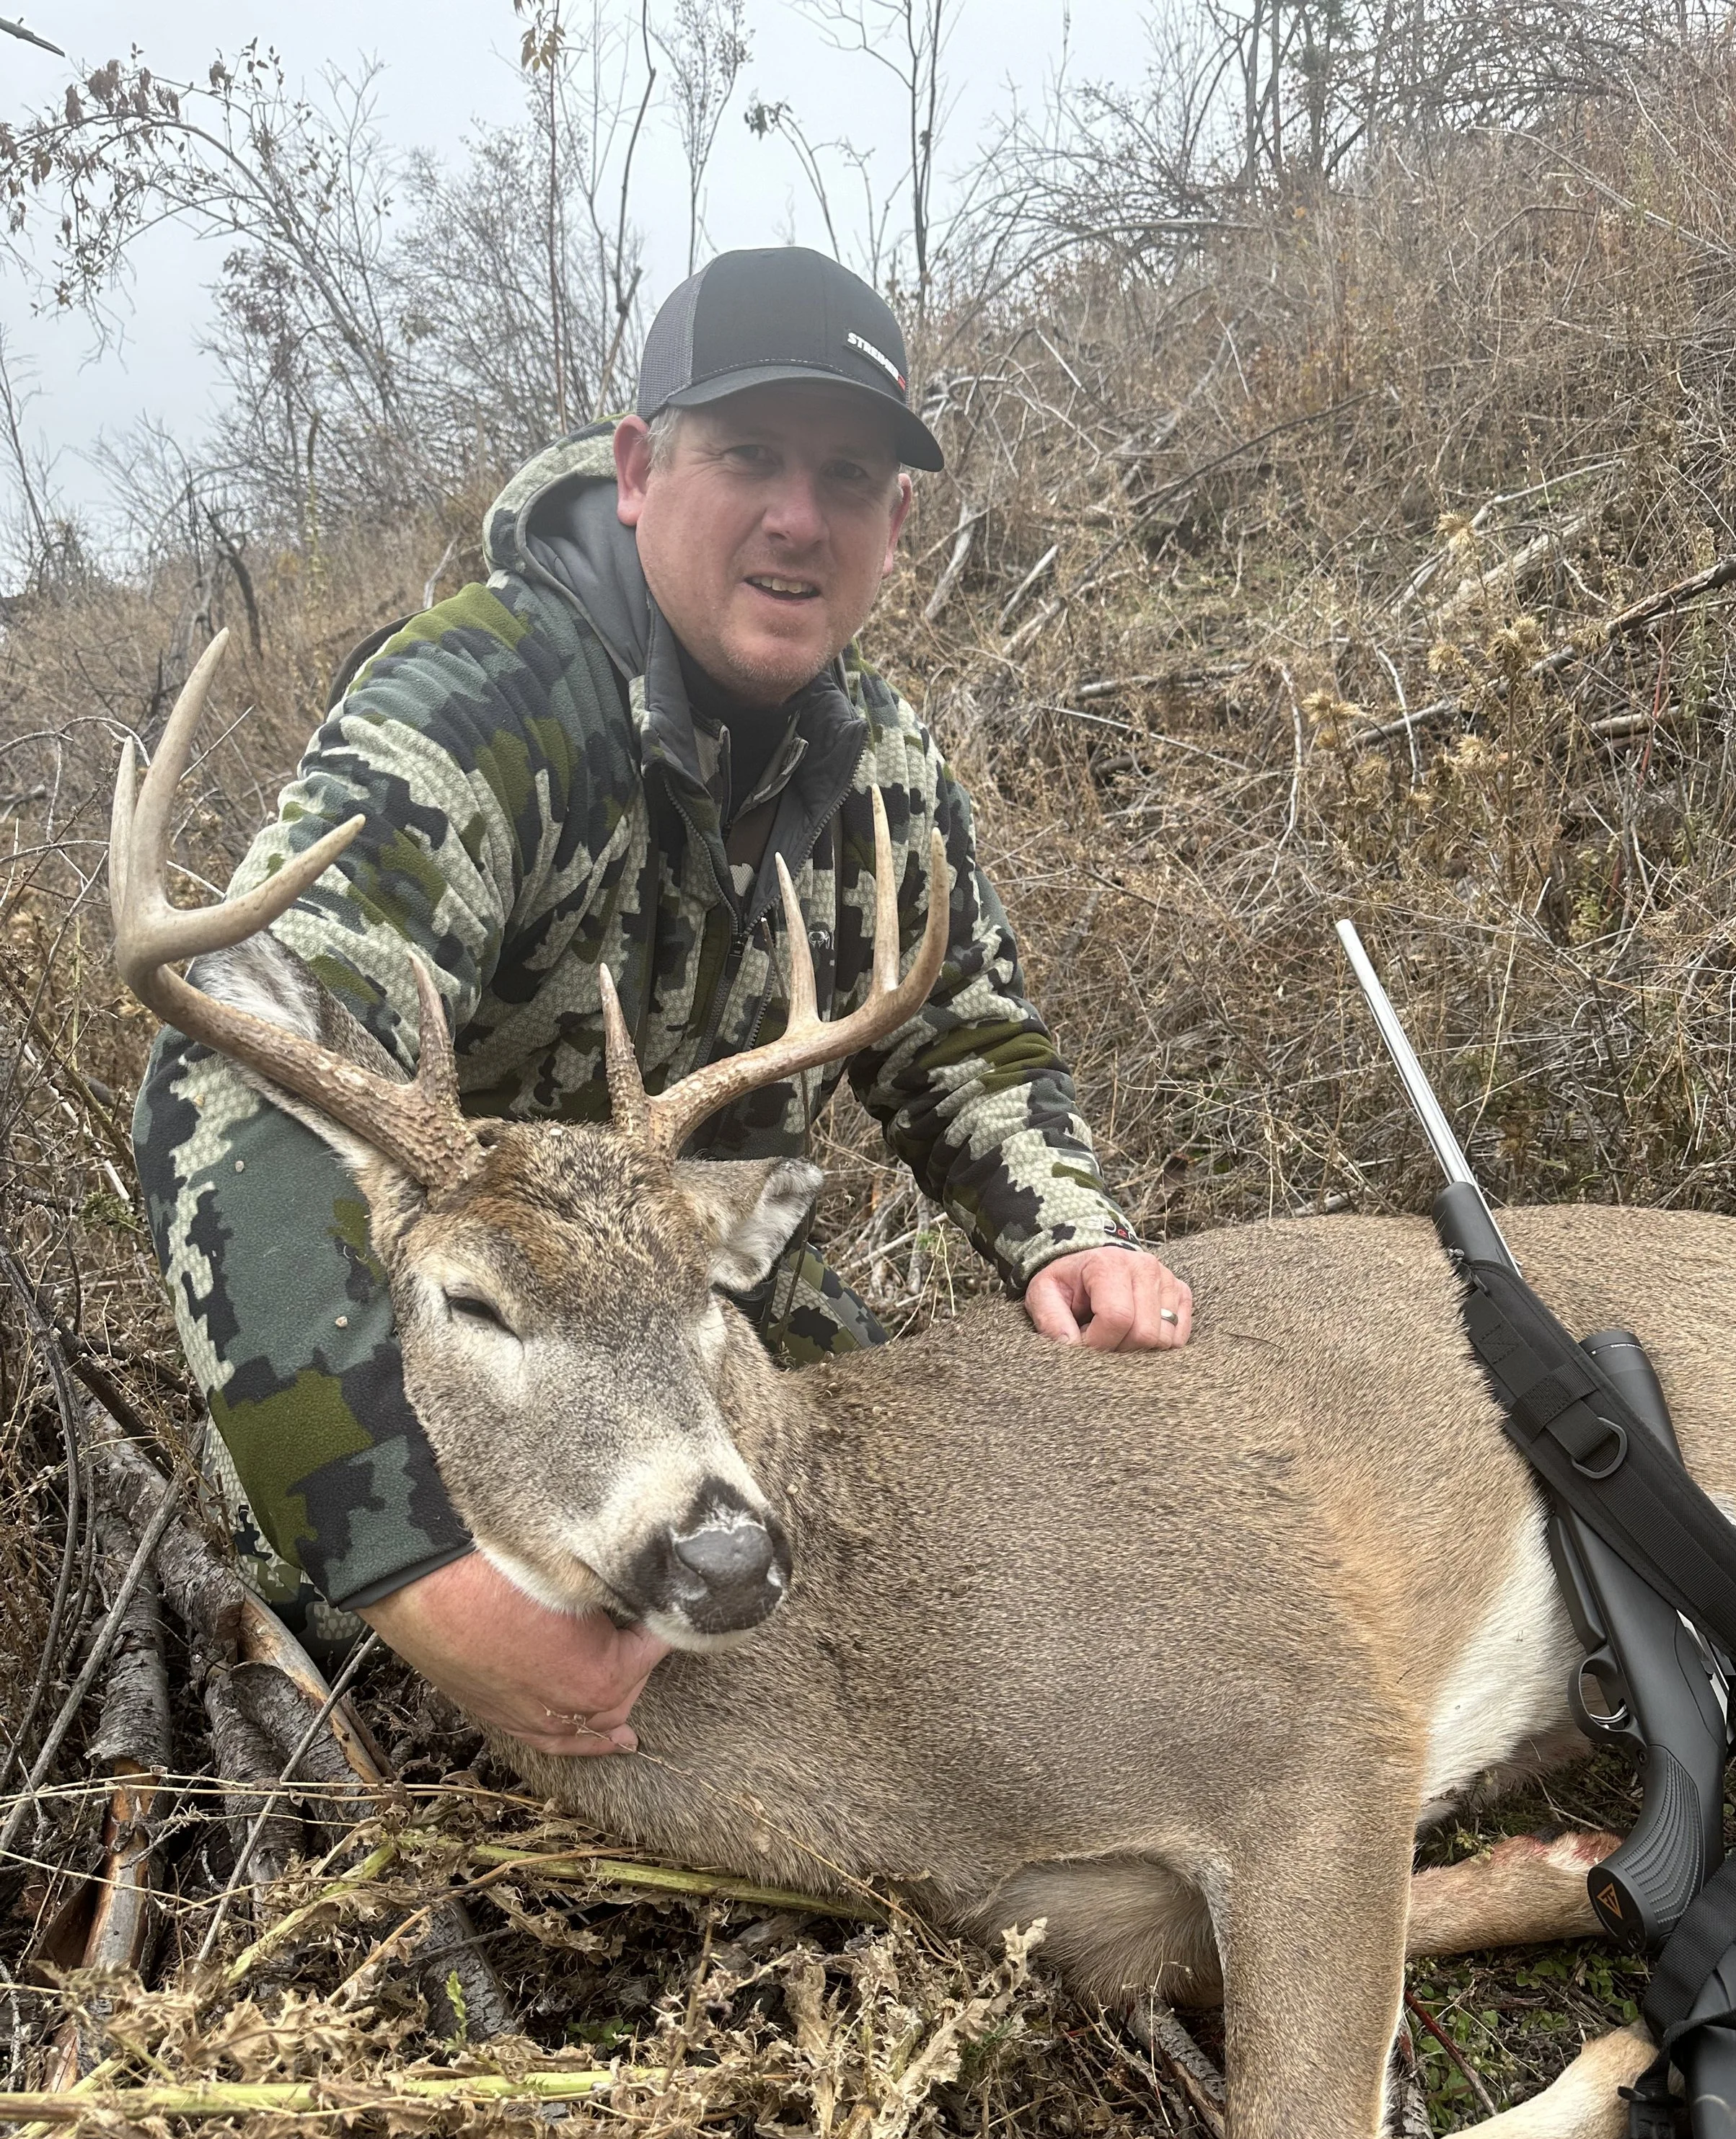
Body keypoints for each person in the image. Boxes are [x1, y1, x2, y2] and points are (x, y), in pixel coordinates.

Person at [133, 247, 1194, 1757]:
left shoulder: (882, 766)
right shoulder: (478, 710)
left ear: (896, 522)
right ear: (636, 469)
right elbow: (233, 1083)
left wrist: (1070, 1230)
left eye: (845, 476)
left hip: (692, 1317)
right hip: (468, 1334)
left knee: (921, 1553)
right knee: (397, 1688)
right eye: (746, 455)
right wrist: (412, 1572)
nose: (794, 517)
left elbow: (964, 1032)